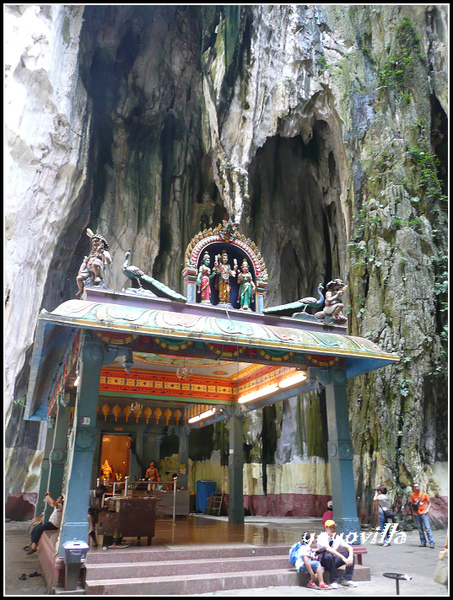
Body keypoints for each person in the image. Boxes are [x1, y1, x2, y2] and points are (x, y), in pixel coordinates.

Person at [316, 519, 357, 588]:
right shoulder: (322, 536)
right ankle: (333, 580)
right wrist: (343, 558)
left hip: (333, 560)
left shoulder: (337, 537)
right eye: (330, 527)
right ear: (326, 528)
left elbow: (348, 546)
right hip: (323, 561)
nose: (332, 529)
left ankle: (347, 578)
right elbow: (328, 549)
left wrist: (350, 557)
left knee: (351, 555)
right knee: (328, 556)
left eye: (333, 527)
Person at [410, 483, 435, 548]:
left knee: (427, 528)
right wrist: (413, 512)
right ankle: (423, 542)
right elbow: (412, 504)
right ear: (414, 488)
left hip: (423, 513)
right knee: (420, 528)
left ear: (419, 487)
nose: (417, 488)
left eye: (417, 486)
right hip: (417, 513)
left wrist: (427, 510)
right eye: (415, 487)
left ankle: (431, 542)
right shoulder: (413, 495)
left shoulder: (424, 494)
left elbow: (429, 503)